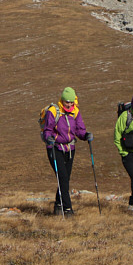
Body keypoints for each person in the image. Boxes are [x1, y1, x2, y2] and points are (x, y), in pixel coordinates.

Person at [42, 87, 92, 216]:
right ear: (62, 100)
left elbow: (79, 130)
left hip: (70, 149)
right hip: (55, 148)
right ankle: (67, 209)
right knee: (63, 178)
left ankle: (58, 205)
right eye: (67, 102)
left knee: (65, 179)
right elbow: (47, 130)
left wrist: (85, 135)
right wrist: (49, 138)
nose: (69, 104)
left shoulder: (75, 112)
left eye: (71, 102)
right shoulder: (53, 111)